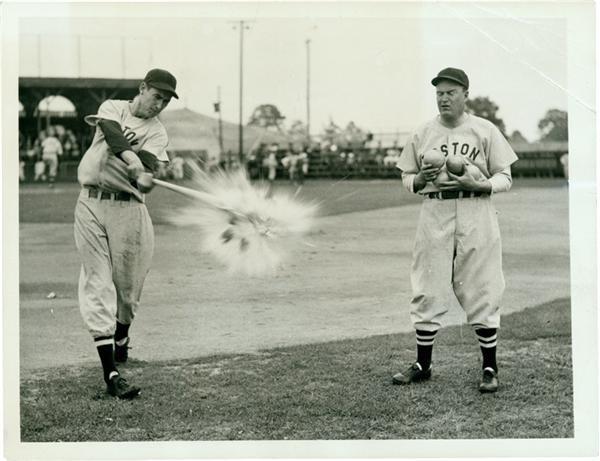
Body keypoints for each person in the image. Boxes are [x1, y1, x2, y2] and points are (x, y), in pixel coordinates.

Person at [393, 67, 518, 393]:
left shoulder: (484, 130)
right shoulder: (423, 133)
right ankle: (423, 364)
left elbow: (505, 177)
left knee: (483, 284)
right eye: (439, 93)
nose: (443, 98)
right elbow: (407, 177)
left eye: (450, 92)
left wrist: (482, 184)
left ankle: (489, 367)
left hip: (476, 208)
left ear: (465, 94)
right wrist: (419, 180)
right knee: (427, 284)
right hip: (435, 209)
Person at [74, 68, 178, 399]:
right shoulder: (112, 108)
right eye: (156, 95)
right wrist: (132, 158)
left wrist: (145, 171)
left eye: (165, 100)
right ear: (142, 88)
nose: (159, 104)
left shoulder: (159, 134)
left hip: (129, 211)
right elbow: (112, 135)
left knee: (128, 294)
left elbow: (147, 165)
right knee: (98, 282)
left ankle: (122, 335)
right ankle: (111, 374)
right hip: (90, 203)